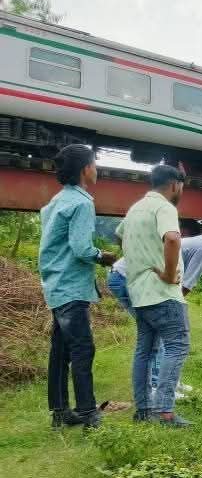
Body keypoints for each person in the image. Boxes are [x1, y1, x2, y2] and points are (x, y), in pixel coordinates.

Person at [108, 217, 202, 403]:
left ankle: (169, 382)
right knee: (159, 334)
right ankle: (157, 389)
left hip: (127, 276)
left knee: (161, 334)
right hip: (127, 279)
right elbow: (186, 286)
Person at [38, 144, 117, 428]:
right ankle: (87, 413)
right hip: (72, 286)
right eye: (94, 164)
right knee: (83, 349)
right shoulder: (82, 202)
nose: (97, 169)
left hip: (55, 285)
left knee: (60, 350)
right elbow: (82, 248)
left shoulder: (56, 201)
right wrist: (104, 257)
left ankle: (60, 412)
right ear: (85, 169)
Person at [117, 164, 191, 427]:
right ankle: (164, 411)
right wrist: (171, 275)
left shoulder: (135, 208)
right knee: (177, 345)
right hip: (162, 293)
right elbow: (172, 239)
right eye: (182, 186)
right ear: (175, 185)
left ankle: (144, 410)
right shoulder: (165, 207)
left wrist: (142, 258)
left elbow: (120, 236)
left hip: (138, 292)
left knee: (144, 351)